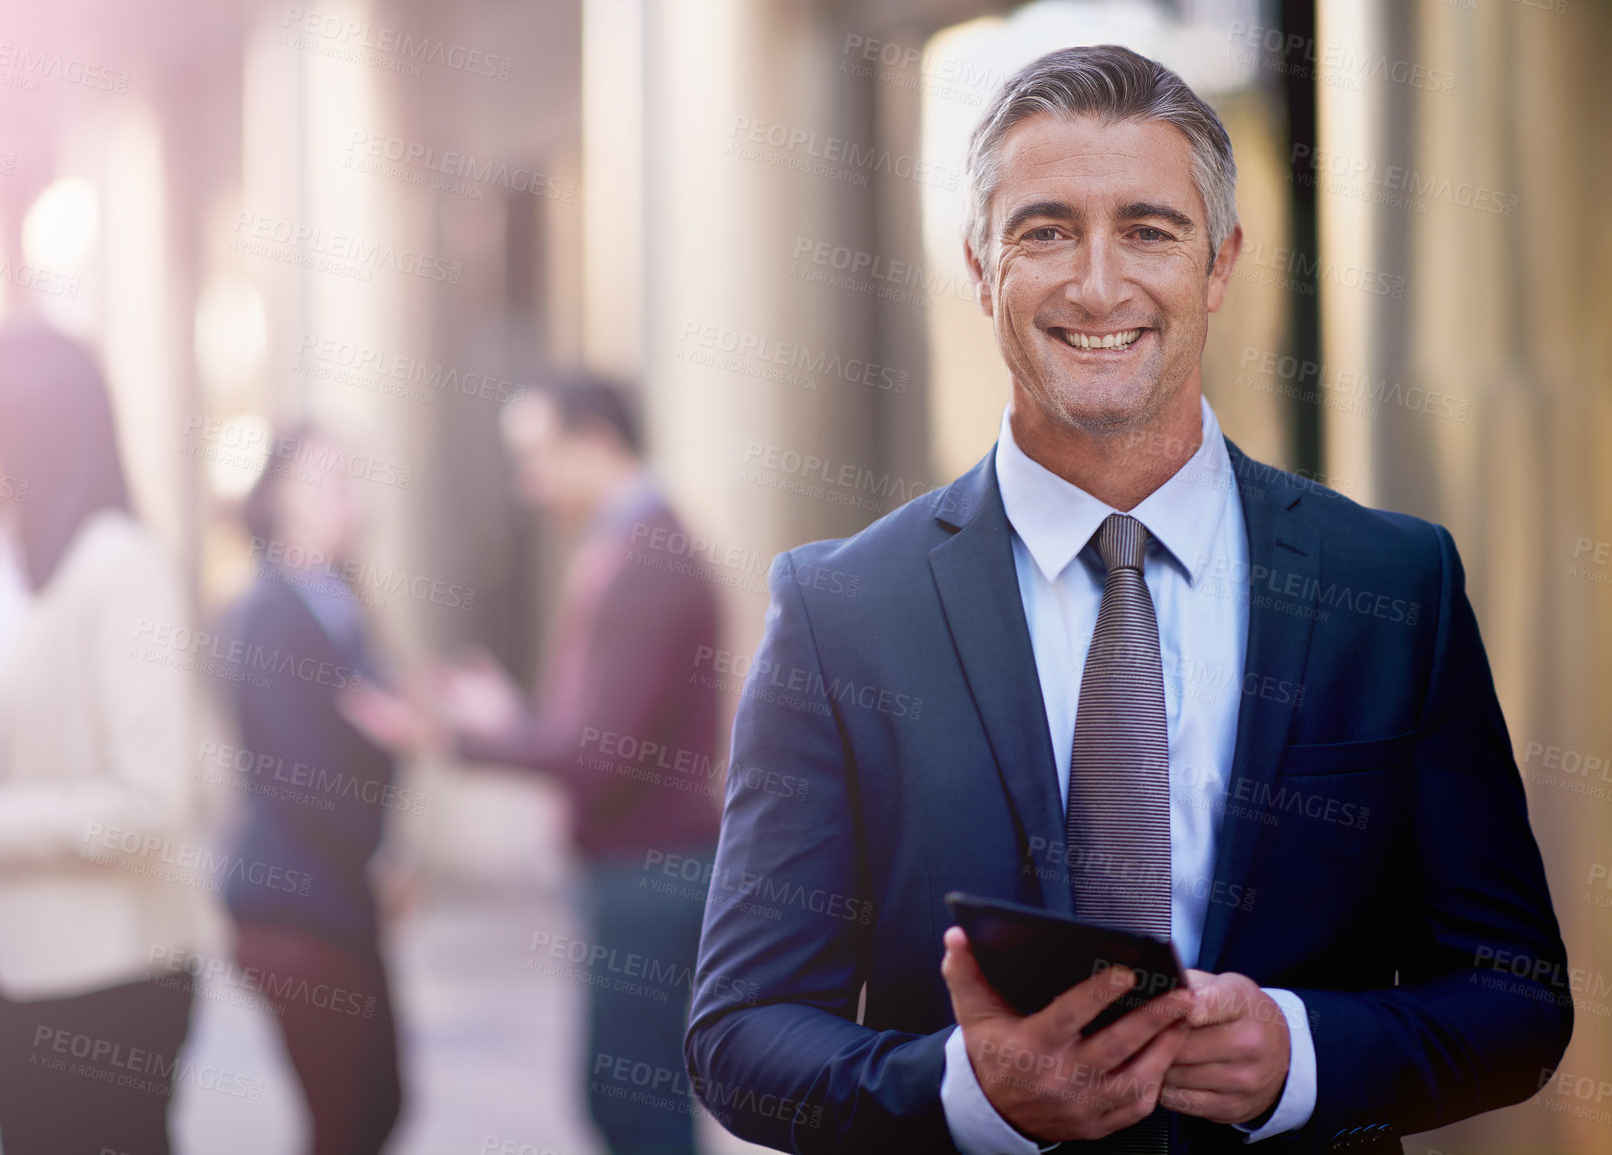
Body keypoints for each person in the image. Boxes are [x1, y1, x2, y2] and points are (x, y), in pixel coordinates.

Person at [684, 45, 1570, 1155]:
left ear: (1221, 262)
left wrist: (1300, 1054)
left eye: (1150, 230)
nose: (1098, 284)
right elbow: (739, 1036)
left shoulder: (1392, 587)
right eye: (1045, 230)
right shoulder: (839, 608)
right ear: (978, 264)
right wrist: (968, 1093)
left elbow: (1518, 1001)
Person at [345, 374, 723, 1155]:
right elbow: (601, 733)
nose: (528, 481)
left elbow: (598, 755)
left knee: (632, 1107)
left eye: (537, 454)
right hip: (639, 866)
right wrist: (509, 718)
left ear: (594, 442)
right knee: (620, 1097)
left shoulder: (646, 554)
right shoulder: (630, 542)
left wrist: (454, 736)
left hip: (649, 873)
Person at [0, 321, 215, 1155]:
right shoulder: (5, 560)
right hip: (12, 959)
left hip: (105, 976)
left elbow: (150, 798)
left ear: (35, 415)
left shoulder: (119, 564)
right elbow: (3, 756)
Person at [218, 424, 404, 1155]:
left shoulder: (336, 599)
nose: (343, 500)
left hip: (335, 892)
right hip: (295, 901)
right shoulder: (270, 609)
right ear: (275, 498)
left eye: (349, 480)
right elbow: (304, 774)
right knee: (347, 1115)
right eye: (322, 482)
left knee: (376, 1104)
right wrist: (378, 859)